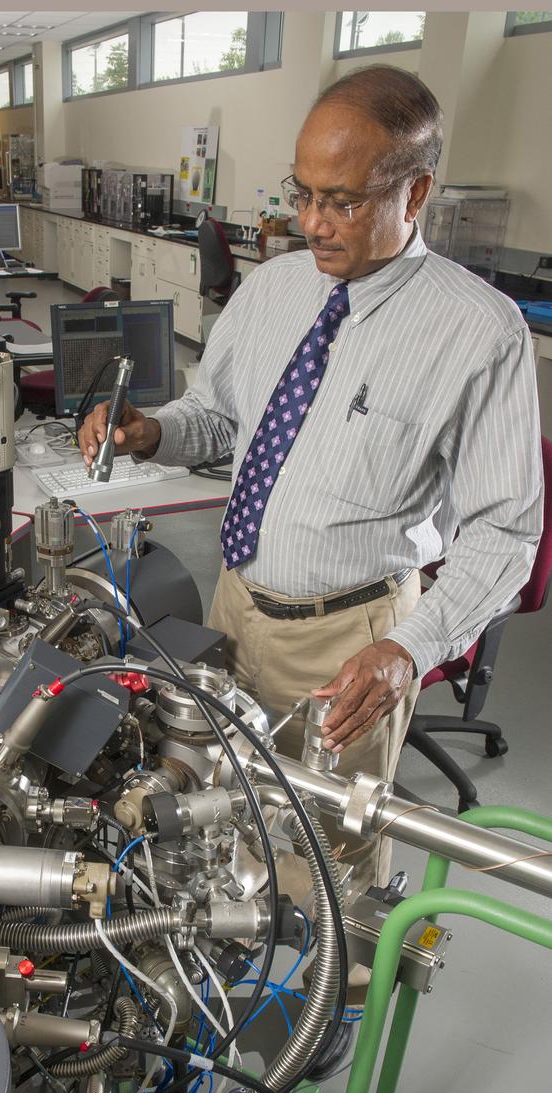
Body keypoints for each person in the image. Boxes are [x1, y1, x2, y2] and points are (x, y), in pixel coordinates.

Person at [79, 65, 543, 918]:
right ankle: (235, 954)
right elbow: (219, 416)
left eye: (344, 201)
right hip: (236, 603)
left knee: (332, 840)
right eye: (302, 194)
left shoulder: (478, 332)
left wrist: (411, 647)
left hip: (350, 640)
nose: (312, 224)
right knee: (225, 802)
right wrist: (153, 430)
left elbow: (504, 533)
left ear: (417, 193)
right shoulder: (274, 289)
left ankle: (336, 1000)